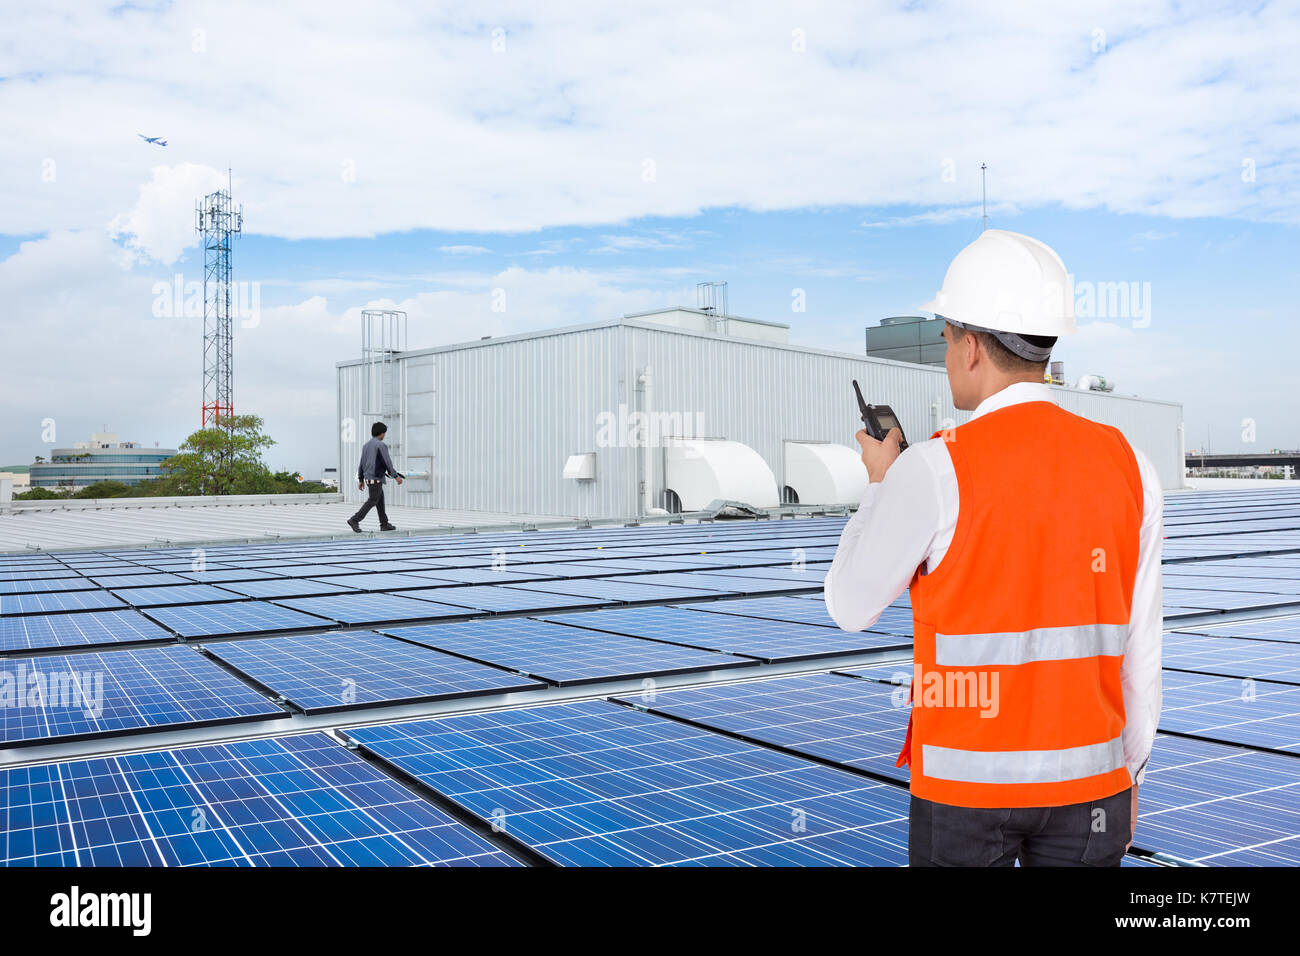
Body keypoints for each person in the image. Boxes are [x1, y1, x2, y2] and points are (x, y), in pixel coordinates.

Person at [824, 230, 1162, 867]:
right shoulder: (1131, 465)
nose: (947, 354)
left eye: (947, 338)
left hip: (965, 797)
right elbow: (1142, 651)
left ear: (972, 347)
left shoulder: (930, 470)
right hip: (1093, 793)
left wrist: (879, 482)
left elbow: (849, 604)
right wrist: (1130, 775)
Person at [347, 422, 404, 533]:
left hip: (369, 478)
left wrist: (360, 479)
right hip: (375, 478)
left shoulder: (366, 445)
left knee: (380, 500)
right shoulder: (380, 445)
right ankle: (354, 520)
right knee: (373, 500)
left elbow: (361, 463)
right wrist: (395, 476)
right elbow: (387, 462)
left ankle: (384, 524)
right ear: (382, 433)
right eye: (385, 433)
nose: (385, 436)